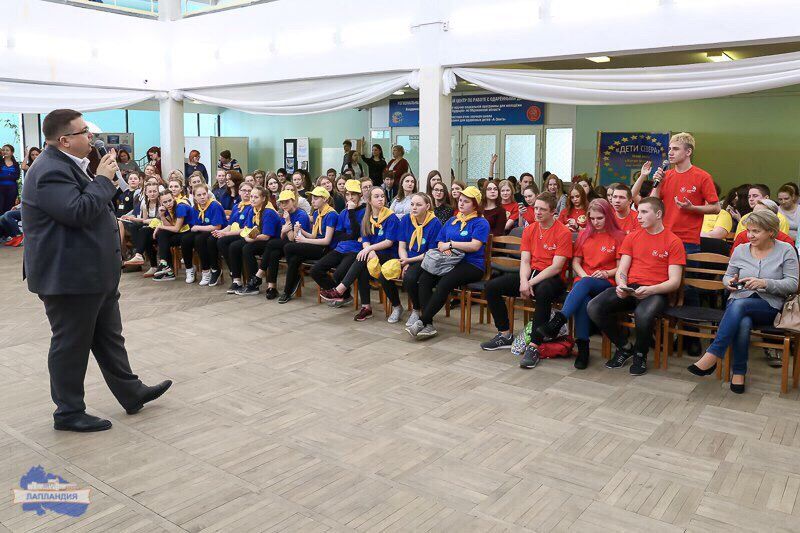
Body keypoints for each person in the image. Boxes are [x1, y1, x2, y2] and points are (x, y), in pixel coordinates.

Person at [21, 109, 170, 432]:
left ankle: (131, 392)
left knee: (109, 337)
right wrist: (101, 179)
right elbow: (77, 212)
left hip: (92, 273)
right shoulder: (49, 170)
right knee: (71, 345)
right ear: (64, 140)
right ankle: (68, 412)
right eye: (84, 132)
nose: (91, 137)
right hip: (69, 277)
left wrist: (103, 178)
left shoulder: (72, 164)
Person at [688, 210, 799, 393]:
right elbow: (727, 276)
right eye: (749, 230)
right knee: (743, 321)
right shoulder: (740, 250)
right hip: (738, 301)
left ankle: (714, 354)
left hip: (769, 306)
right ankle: (738, 373)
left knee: (740, 306)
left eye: (756, 231)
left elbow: (792, 284)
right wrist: (729, 283)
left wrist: (765, 283)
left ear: (771, 232)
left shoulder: (786, 250)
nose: (750, 235)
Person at [587, 197, 686, 376]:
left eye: (644, 212)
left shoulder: (673, 241)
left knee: (643, 314)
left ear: (658, 214)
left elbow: (674, 282)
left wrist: (651, 290)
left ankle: (640, 354)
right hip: (631, 288)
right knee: (594, 307)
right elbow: (622, 270)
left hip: (657, 291)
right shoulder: (632, 237)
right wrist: (621, 285)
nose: (638, 216)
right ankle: (624, 347)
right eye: (638, 212)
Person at [479, 192, 572, 365]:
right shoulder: (529, 229)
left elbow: (556, 267)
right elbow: (525, 261)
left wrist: (530, 283)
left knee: (543, 291)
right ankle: (505, 334)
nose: (537, 212)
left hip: (552, 278)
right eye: (536, 208)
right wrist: (523, 281)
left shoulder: (563, 232)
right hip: (531, 274)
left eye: (542, 209)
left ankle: (535, 345)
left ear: (553, 212)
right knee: (492, 286)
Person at [538, 199, 624, 369]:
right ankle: (583, 349)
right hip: (584, 280)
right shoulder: (584, 234)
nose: (595, 222)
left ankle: (559, 321)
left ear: (608, 216)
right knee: (582, 299)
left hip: (606, 281)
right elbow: (576, 263)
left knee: (581, 289)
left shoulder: (619, 236)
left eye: (600, 218)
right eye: (592, 218)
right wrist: (585, 277)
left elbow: (621, 267)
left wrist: (606, 273)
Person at [407, 186, 490, 339]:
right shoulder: (453, 220)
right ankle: (429, 325)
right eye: (460, 200)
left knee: (445, 283)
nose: (461, 203)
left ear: (475, 205)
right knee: (424, 279)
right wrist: (443, 247)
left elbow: (475, 246)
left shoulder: (481, 222)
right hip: (448, 261)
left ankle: (422, 321)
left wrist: (451, 245)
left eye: (466, 201)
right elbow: (440, 241)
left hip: (471, 264)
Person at [320, 186, 398, 321]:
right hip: (372, 254)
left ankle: (339, 290)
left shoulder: (391, 217)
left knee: (362, 256)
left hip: (388, 255)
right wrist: (369, 250)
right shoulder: (367, 218)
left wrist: (368, 249)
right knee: (362, 269)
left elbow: (389, 242)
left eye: (382, 196)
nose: (380, 199)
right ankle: (366, 307)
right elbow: (365, 239)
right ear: (369, 200)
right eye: (376, 196)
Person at [311, 180, 366, 306]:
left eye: (353, 194)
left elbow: (358, 232)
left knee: (338, 274)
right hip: (340, 248)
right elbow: (338, 235)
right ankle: (344, 295)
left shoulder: (364, 211)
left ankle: (339, 294)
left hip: (356, 250)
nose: (350, 197)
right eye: (347, 194)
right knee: (315, 270)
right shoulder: (343, 212)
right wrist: (352, 236)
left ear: (360, 195)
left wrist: (351, 212)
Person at [279, 186, 339, 304]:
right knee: (294, 259)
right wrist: (302, 231)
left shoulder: (331, 214)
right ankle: (288, 290)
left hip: (326, 249)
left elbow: (326, 241)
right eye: (312, 198)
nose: (312, 201)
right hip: (317, 245)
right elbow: (313, 236)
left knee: (288, 247)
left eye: (316, 198)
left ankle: (295, 279)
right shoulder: (317, 213)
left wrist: (304, 240)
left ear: (325, 199)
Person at [254, 190, 311, 299]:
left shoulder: (301, 215)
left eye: (286, 202)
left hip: (300, 244)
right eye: (281, 202)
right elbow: (282, 236)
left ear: (293, 201)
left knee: (271, 243)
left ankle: (260, 273)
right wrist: (284, 229)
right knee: (274, 253)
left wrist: (288, 222)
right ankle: (272, 287)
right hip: (287, 244)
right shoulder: (285, 215)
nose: (283, 205)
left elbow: (293, 239)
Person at [397, 193, 443, 326]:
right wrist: (405, 261)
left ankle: (416, 310)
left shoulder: (435, 223)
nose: (414, 208)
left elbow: (431, 253)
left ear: (427, 206)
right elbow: (402, 246)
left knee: (410, 278)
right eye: (412, 204)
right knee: (384, 275)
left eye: (418, 205)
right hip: (407, 258)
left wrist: (408, 262)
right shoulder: (406, 219)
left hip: (425, 259)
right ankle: (396, 307)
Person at [229, 186, 283, 296]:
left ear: (263, 198)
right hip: (258, 238)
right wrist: (247, 237)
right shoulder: (252, 210)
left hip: (271, 241)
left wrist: (251, 238)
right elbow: (249, 228)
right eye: (252, 196)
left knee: (247, 248)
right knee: (234, 246)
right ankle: (236, 280)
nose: (252, 199)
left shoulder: (268, 212)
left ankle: (253, 283)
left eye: (256, 197)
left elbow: (266, 236)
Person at [207, 182, 254, 290]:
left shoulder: (252, 207)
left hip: (245, 235)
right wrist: (220, 232)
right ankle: (218, 269)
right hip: (234, 233)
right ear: (239, 192)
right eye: (244, 190)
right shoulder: (237, 206)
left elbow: (246, 229)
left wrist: (225, 234)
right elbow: (230, 225)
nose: (246, 193)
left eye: (249, 191)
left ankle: (235, 274)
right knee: (212, 238)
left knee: (223, 241)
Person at [181, 184, 226, 286]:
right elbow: (193, 224)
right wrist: (197, 228)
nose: (202, 197)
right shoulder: (195, 207)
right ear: (194, 197)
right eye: (199, 195)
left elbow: (217, 226)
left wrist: (198, 228)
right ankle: (189, 268)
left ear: (208, 194)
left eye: (204, 194)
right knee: (185, 239)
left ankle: (207, 271)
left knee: (200, 240)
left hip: (217, 232)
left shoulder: (214, 205)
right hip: (202, 231)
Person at [152, 189, 193, 281]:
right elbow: (169, 226)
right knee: (162, 235)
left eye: (170, 200)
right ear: (161, 203)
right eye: (165, 202)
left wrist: (159, 226)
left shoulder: (180, 206)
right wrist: (162, 216)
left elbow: (176, 228)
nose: (168, 204)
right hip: (181, 232)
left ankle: (189, 269)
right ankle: (165, 265)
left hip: (191, 231)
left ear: (174, 198)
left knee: (183, 240)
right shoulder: (166, 209)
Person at [121, 182, 161, 276]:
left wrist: (148, 221)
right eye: (150, 191)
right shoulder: (145, 204)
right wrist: (132, 218)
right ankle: (153, 266)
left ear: (158, 192)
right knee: (144, 235)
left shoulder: (161, 203)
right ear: (146, 193)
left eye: (154, 191)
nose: (152, 194)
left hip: (161, 228)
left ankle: (139, 255)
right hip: (151, 229)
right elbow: (145, 220)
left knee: (144, 231)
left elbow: (160, 220)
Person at [730, 199, 796, 253]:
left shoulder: (785, 241)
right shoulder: (742, 236)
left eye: (760, 215)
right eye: (753, 214)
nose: (754, 218)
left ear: (773, 217)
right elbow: (733, 261)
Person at [0, 144, 21, 214]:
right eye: (3, 150)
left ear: (12, 152)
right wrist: (10, 175)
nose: (5, 151)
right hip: (1, 188)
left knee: (9, 208)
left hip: (12, 189)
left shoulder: (16, 164)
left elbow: (17, 176)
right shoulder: (0, 162)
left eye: (7, 150)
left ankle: (6, 220)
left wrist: (4, 175)